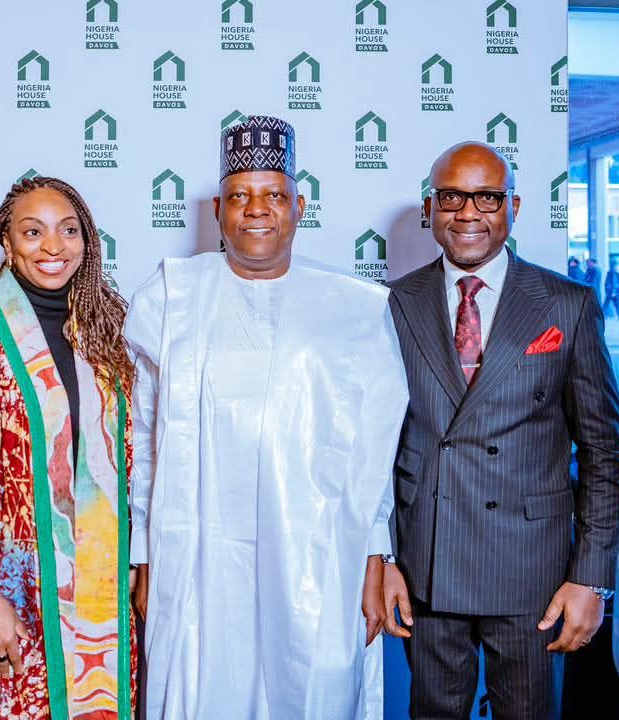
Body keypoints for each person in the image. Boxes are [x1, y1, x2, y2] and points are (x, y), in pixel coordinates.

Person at [124, 116, 408, 719]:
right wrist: (144, 554)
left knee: (310, 694)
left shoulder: (353, 311)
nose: (257, 210)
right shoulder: (172, 298)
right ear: (218, 210)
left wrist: (375, 556)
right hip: (199, 551)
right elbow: (145, 439)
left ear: (299, 206)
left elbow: (374, 451)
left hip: (317, 554)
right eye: (239, 196)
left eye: (273, 194)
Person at [383, 142, 619, 719]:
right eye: (452, 197)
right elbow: (375, 448)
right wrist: (382, 559)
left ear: (512, 205)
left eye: (487, 197)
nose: (469, 213)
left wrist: (591, 578)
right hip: (427, 561)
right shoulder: (392, 304)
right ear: (429, 208)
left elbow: (602, 452)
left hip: (532, 571)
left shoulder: (566, 305)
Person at [0, 177, 137, 719]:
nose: (53, 247)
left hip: (96, 583)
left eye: (68, 230)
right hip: (3, 582)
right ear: (7, 243)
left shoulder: (108, 330)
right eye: (32, 232)